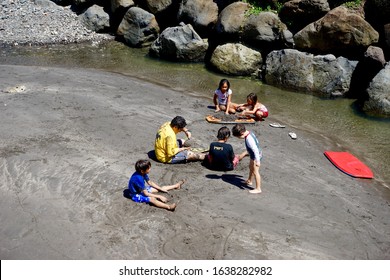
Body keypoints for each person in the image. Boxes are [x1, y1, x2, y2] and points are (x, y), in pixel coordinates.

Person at [232, 123, 262, 194]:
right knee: (251, 167)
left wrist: (257, 161)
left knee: (255, 171)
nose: (239, 138)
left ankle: (258, 188)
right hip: (253, 154)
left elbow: (255, 150)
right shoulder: (248, 132)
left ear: (241, 133)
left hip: (256, 155)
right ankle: (249, 180)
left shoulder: (249, 139)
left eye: (238, 137)